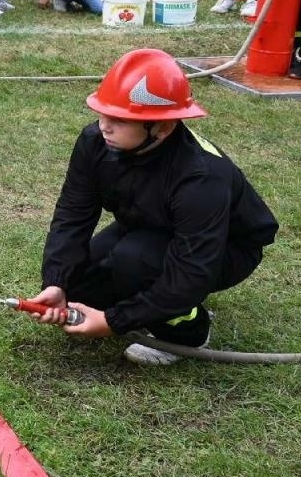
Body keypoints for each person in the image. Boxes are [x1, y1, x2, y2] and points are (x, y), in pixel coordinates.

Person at [25, 48, 279, 366]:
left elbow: (192, 270)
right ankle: (151, 299)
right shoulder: (95, 143)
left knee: (134, 262)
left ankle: (189, 331)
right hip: (151, 224)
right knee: (78, 289)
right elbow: (72, 215)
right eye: (102, 113)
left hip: (225, 247)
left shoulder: (200, 178)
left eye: (120, 120)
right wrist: (56, 280)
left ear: (162, 127)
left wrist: (113, 321)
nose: (104, 126)